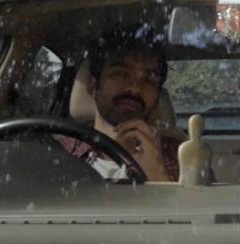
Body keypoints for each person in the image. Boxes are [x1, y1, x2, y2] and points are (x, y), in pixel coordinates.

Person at [58, 26, 182, 182]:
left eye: (149, 79)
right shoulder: (57, 152)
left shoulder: (181, 155)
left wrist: (157, 175)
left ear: (157, 98)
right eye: (120, 74)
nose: (135, 88)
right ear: (93, 87)